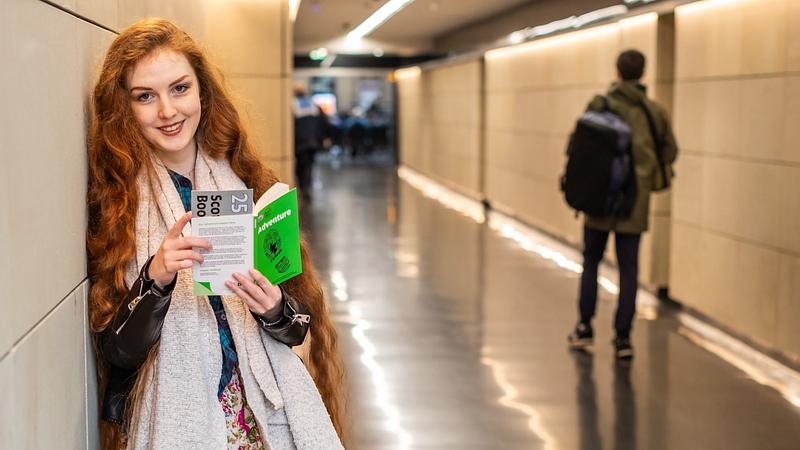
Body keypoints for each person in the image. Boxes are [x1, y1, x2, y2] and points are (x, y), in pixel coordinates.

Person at [86, 18, 345, 449]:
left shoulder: (242, 178)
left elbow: (297, 329)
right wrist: (157, 277)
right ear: (124, 107)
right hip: (183, 421)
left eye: (180, 88)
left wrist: (274, 307)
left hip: (261, 414)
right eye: (145, 96)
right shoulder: (119, 201)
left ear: (202, 91)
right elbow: (118, 352)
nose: (168, 111)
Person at [567, 49, 678, 360]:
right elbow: (670, 152)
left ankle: (584, 327)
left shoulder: (599, 105)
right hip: (634, 203)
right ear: (643, 74)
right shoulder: (655, 113)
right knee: (628, 270)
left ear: (617, 72)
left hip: (598, 200)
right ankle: (623, 339)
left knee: (591, 262)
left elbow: (579, 147)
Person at [292, 84, 323, 202]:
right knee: (309, 166)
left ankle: (302, 187)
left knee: (300, 166)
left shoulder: (293, 104)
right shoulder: (313, 105)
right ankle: (306, 187)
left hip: (300, 143)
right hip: (312, 143)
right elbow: (321, 124)